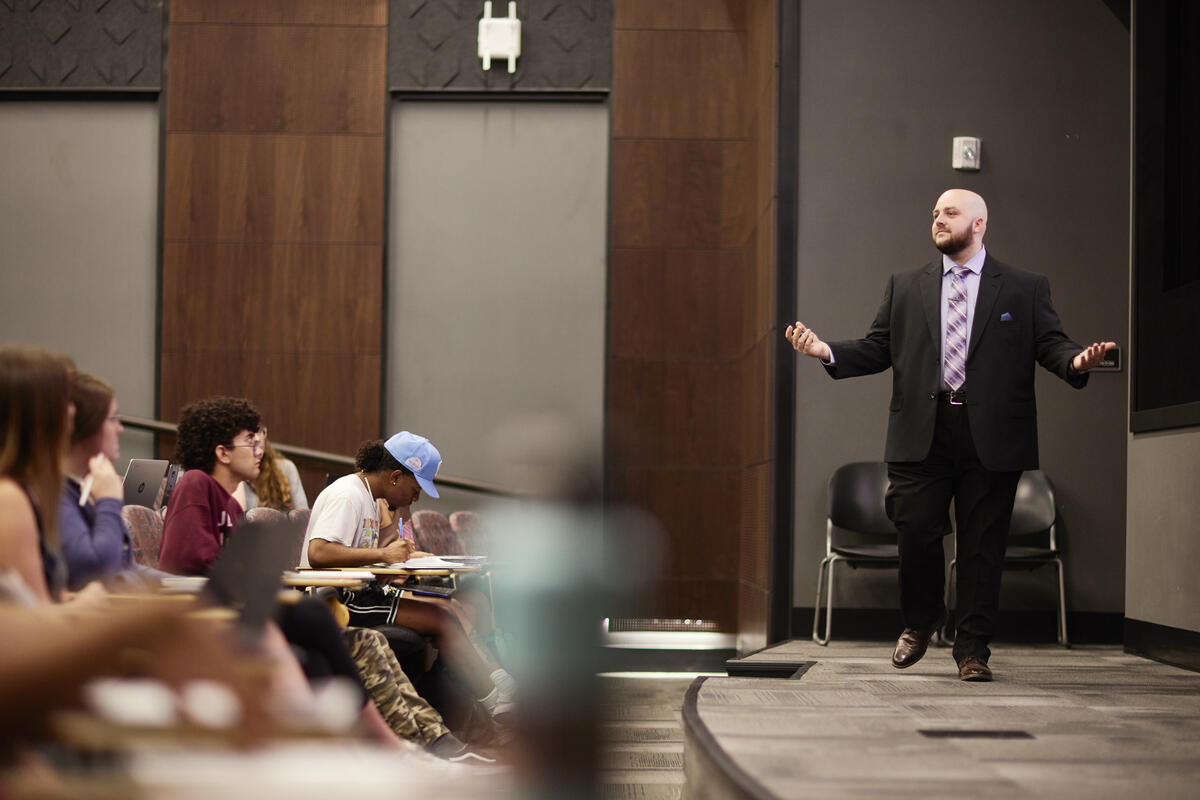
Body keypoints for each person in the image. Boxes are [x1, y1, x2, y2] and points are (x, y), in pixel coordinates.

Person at [785, 189, 1115, 681]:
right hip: (921, 429)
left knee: (982, 544)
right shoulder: (905, 286)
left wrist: (1074, 361)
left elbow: (1051, 344)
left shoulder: (1023, 288)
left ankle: (973, 649)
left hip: (994, 433)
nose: (938, 220)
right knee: (916, 529)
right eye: (935, 214)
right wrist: (826, 351)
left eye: (951, 213)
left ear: (979, 223)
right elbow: (879, 348)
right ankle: (922, 620)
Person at [301, 432, 517, 720]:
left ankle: (494, 691)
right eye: (415, 489)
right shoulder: (347, 495)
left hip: (359, 592)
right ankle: (496, 705)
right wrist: (383, 556)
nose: (417, 497)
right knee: (442, 619)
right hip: (335, 600)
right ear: (394, 477)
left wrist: (393, 524)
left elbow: (364, 550)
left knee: (445, 608)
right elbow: (319, 552)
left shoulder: (370, 496)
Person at [59, 370, 170, 590]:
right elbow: (97, 573)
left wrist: (199, 586)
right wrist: (109, 500)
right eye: (113, 419)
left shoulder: (83, 486)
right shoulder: (58, 493)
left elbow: (127, 567)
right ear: (86, 426)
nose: (120, 429)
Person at [158, 396, 264, 575]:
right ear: (223, 453)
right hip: (193, 600)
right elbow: (196, 562)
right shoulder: (194, 483)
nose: (259, 451)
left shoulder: (233, 507)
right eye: (250, 442)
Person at [238, 438, 308, 512]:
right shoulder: (234, 476)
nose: (258, 452)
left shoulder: (285, 468)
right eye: (249, 436)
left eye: (259, 433)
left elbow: (304, 516)